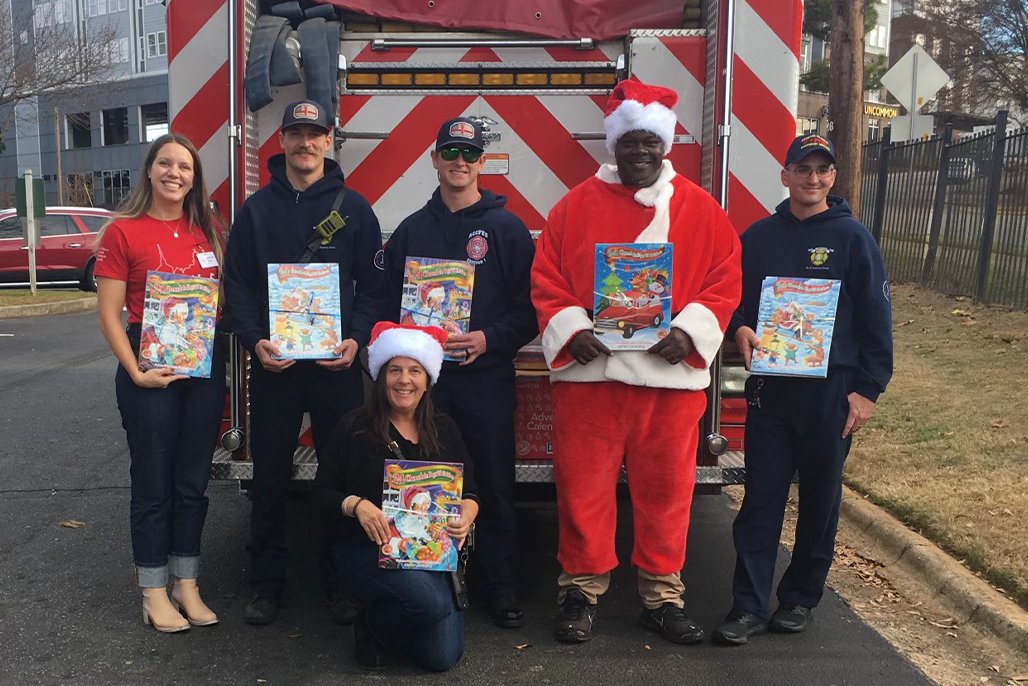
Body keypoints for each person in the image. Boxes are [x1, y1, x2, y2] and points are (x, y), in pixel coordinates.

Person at [530, 79, 742, 645]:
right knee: (583, 490)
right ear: (614, 144)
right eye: (631, 142)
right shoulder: (573, 207)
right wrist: (571, 328)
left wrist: (688, 330)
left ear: (665, 143)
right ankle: (579, 590)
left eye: (651, 141)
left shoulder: (701, 209)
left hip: (668, 381)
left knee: (667, 493)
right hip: (590, 381)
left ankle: (662, 596)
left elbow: (725, 279)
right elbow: (546, 276)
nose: (640, 152)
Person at [712, 134, 893, 645]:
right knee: (761, 501)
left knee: (820, 500)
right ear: (785, 174)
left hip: (831, 392)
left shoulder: (854, 239)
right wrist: (740, 327)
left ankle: (798, 598)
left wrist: (868, 391)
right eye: (803, 169)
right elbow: (733, 301)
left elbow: (878, 320)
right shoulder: (759, 237)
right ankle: (746, 606)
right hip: (772, 391)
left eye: (822, 170)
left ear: (833, 177)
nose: (813, 178)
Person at [222, 99, 388, 625]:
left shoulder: (355, 208)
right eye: (296, 133)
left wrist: (357, 340)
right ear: (283, 142)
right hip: (277, 369)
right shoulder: (256, 210)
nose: (306, 143)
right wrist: (254, 341)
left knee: (344, 476)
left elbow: (376, 287)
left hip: (336, 370)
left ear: (329, 140)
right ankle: (267, 583)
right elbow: (238, 287)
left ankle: (341, 582)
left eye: (315, 134)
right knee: (270, 477)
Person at [383, 117, 537, 627]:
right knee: (417, 481)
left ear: (483, 163)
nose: (460, 162)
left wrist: (490, 338)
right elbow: (385, 304)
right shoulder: (411, 229)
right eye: (450, 152)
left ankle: (499, 586)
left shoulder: (506, 229)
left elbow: (530, 306)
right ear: (434, 159)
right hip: (420, 391)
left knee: (491, 484)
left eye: (469, 154)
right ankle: (422, 580)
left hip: (485, 380)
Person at [94, 133, 226, 633]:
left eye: (185, 167)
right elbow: (109, 314)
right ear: (149, 169)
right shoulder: (122, 231)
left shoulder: (207, 229)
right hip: (146, 369)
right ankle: (153, 591)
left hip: (199, 370)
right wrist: (135, 372)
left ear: (195, 178)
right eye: (166, 164)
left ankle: (186, 583)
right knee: (153, 486)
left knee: (192, 483)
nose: (175, 173)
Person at [311, 321, 480, 672]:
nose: (405, 380)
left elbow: (472, 491)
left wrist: (466, 514)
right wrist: (356, 505)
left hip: (429, 554)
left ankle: (391, 622)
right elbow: (320, 494)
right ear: (381, 376)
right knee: (428, 603)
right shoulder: (354, 427)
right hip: (365, 548)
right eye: (395, 370)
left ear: (427, 379)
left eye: (415, 371)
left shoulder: (444, 428)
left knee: (441, 658)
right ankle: (372, 625)